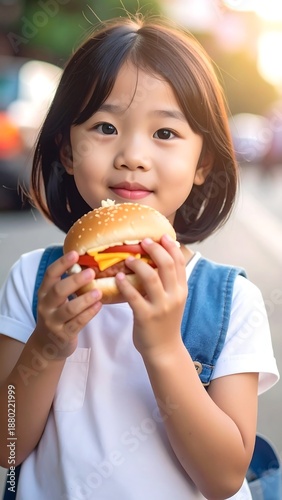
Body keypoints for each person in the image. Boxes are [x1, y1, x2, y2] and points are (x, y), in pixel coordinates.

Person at [0, 15, 279, 500]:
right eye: (105, 127)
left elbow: (223, 478)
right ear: (67, 151)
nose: (132, 154)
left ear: (203, 163)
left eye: (165, 134)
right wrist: (47, 343)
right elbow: (5, 448)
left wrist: (165, 348)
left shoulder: (230, 302)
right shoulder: (33, 281)